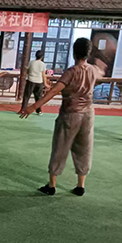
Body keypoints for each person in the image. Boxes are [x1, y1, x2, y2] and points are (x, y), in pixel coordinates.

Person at [18, 38, 103, 197]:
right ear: (88, 53)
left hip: (70, 114)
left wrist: (33, 107)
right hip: (88, 114)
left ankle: (52, 185)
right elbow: (98, 81)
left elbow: (53, 91)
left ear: (74, 53)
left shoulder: (71, 72)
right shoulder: (94, 70)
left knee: (60, 147)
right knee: (84, 148)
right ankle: (80, 185)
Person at [22, 50, 50, 115]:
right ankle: (39, 111)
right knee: (38, 97)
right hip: (39, 82)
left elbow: (27, 71)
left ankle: (23, 110)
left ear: (35, 56)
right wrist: (45, 83)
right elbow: (43, 75)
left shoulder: (31, 63)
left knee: (26, 96)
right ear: (42, 57)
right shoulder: (43, 64)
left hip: (30, 81)